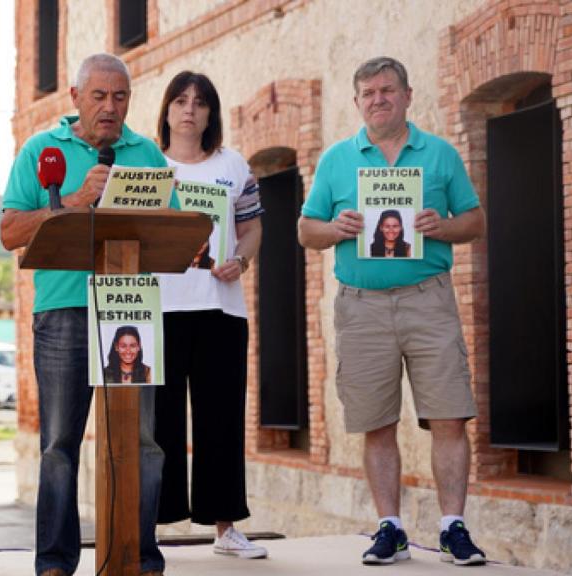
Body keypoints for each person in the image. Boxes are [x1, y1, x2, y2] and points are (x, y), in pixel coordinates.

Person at [298, 56, 487, 566]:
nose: (378, 99)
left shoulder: (440, 155)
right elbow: (305, 230)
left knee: (449, 415)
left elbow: (474, 220)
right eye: (368, 92)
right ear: (357, 102)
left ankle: (453, 527)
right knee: (376, 422)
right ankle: (391, 527)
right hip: (361, 309)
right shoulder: (337, 160)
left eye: (387, 89)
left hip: (429, 300)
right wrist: (334, 227)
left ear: (407, 95)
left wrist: (442, 227)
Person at [1, 52, 167, 576]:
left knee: (142, 444)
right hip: (65, 311)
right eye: (99, 96)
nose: (110, 107)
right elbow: (8, 232)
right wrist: (72, 201)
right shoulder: (41, 150)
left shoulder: (147, 155)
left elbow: (175, 229)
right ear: (75, 98)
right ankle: (54, 562)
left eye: (120, 97)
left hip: (130, 312)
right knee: (58, 445)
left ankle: (138, 556)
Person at [152, 71, 267, 560]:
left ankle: (226, 528)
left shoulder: (233, 164)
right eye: (180, 100)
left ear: (210, 113)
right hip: (161, 310)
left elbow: (253, 227)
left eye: (200, 102)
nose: (189, 110)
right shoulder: (146, 163)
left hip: (221, 309)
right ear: (167, 110)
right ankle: (149, 528)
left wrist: (240, 260)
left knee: (221, 420)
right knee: (160, 424)